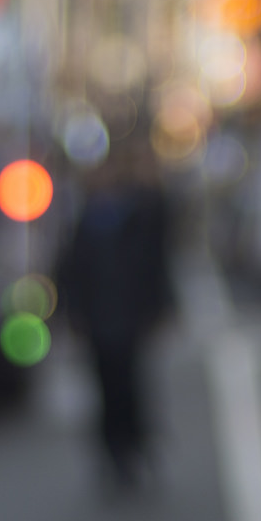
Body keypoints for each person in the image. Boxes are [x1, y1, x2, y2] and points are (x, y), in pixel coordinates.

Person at [55, 143, 175, 490]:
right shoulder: (88, 221)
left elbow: (155, 264)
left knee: (130, 385)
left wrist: (159, 306)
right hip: (99, 318)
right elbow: (69, 270)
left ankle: (133, 445)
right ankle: (115, 449)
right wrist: (72, 310)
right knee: (106, 387)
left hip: (128, 315)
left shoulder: (139, 214)